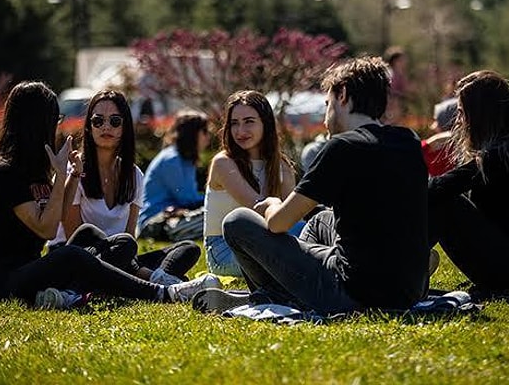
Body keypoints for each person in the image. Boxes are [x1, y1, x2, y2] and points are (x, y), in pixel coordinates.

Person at [193, 57, 430, 314]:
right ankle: (285, 289)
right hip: (408, 290)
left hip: (354, 293)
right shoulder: (408, 141)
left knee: (237, 221)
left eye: (327, 105)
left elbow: (278, 223)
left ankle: (277, 295)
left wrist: (272, 204)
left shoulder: (341, 147)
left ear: (343, 96)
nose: (326, 119)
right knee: (320, 220)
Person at [0, 81, 220, 309]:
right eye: (53, 120)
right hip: (3, 283)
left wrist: (69, 177)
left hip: (35, 270)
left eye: (115, 121)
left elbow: (55, 214)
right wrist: (63, 175)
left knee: (111, 241)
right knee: (73, 254)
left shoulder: (34, 171)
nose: (56, 127)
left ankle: (76, 292)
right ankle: (164, 292)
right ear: (36, 124)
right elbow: (47, 230)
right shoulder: (3, 172)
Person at [427, 70, 509, 292]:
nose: (458, 122)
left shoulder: (501, 158)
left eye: (462, 113)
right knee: (442, 199)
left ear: (480, 116)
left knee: (446, 204)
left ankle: (397, 270)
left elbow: (437, 189)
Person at [52, 90, 201, 284]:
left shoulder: (134, 175)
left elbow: (130, 236)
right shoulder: (74, 171)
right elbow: (74, 236)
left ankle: (150, 278)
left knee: (189, 248)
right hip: (77, 256)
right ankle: (154, 280)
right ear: (89, 127)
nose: (106, 126)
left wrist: (124, 258)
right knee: (124, 246)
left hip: (119, 254)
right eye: (98, 121)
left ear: (124, 128)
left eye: (115, 121)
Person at [203, 90, 296, 277]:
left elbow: (293, 217)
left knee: (309, 229)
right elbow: (257, 208)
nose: (240, 131)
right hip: (224, 251)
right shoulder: (224, 163)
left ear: (266, 124)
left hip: (267, 241)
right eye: (234, 124)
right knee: (299, 254)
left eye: (249, 122)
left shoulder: (281, 165)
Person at [138, 110, 210, 241]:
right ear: (193, 134)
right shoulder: (172, 159)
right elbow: (188, 199)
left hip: (174, 219)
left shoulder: (186, 160)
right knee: (213, 214)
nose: (208, 137)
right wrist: (215, 197)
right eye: (205, 132)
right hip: (155, 222)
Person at [421, 97, 458, 177]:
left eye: (437, 120)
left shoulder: (435, 153)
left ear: (447, 121)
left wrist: (431, 141)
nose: (433, 126)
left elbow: (415, 152)